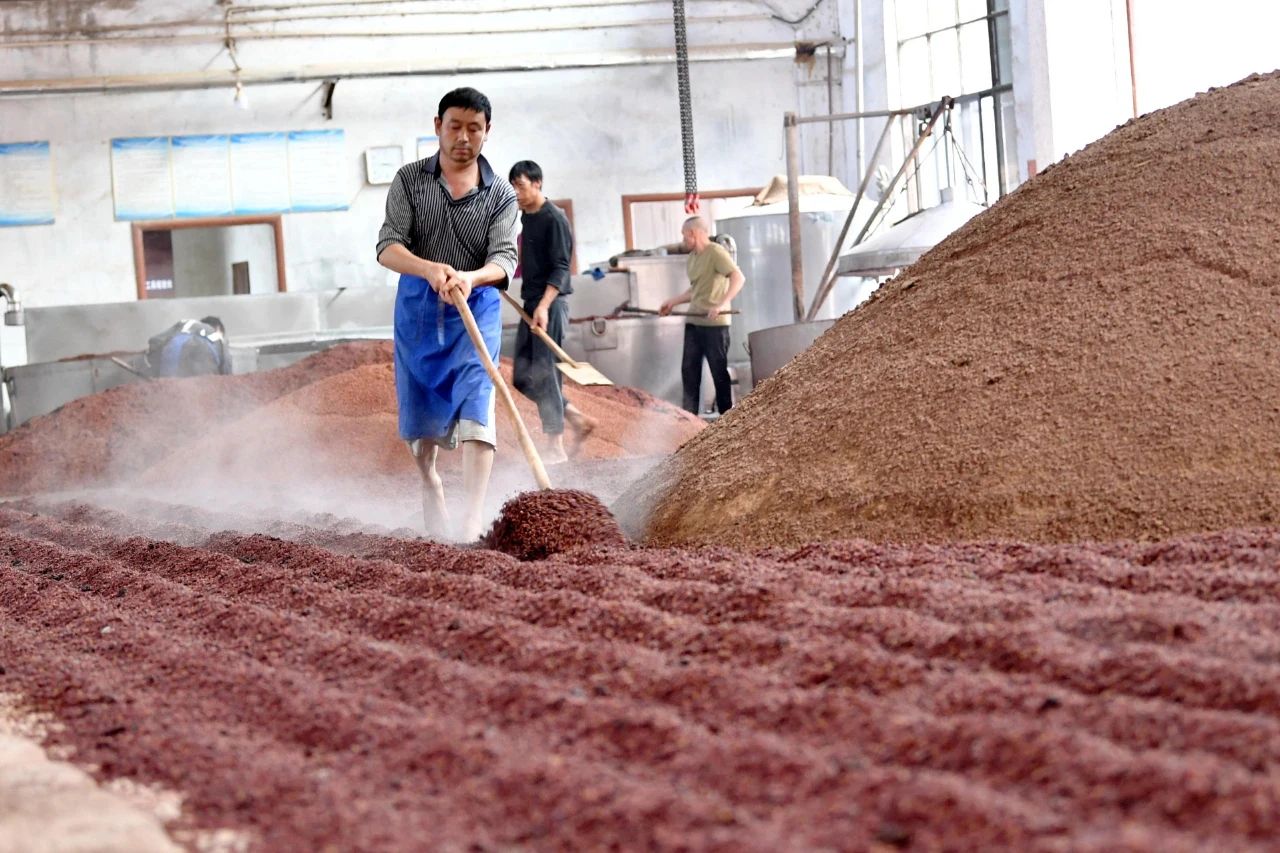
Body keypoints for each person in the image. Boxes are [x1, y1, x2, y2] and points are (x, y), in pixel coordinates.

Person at [375, 87, 518, 541]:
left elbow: (505, 259)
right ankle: (430, 481)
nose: (463, 137)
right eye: (455, 126)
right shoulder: (409, 181)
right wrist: (429, 269)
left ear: (487, 132)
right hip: (419, 310)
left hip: (476, 307)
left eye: (474, 128)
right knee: (420, 426)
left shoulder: (500, 194)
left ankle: (472, 519)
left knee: (478, 403)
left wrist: (471, 277)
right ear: (438, 126)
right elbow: (387, 246)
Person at [507, 160, 597, 464]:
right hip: (531, 303)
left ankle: (555, 446)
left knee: (546, 372)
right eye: (513, 187)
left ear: (538, 184)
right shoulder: (526, 217)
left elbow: (561, 267)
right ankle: (575, 418)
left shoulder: (554, 218)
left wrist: (544, 307)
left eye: (520, 186)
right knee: (522, 377)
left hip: (551, 305)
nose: (516, 193)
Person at [659, 216, 746, 416]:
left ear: (694, 233)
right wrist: (673, 301)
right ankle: (689, 418)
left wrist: (721, 304)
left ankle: (727, 418)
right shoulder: (693, 258)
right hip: (694, 321)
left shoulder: (716, 252)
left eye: (684, 236)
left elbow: (738, 277)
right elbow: (695, 290)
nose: (683, 241)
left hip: (715, 324)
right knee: (689, 371)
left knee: (718, 372)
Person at [146, 316, 230, 377]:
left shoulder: (184, 325)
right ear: (218, 329)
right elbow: (227, 374)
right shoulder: (217, 337)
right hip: (199, 367)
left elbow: (154, 341)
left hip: (167, 362)